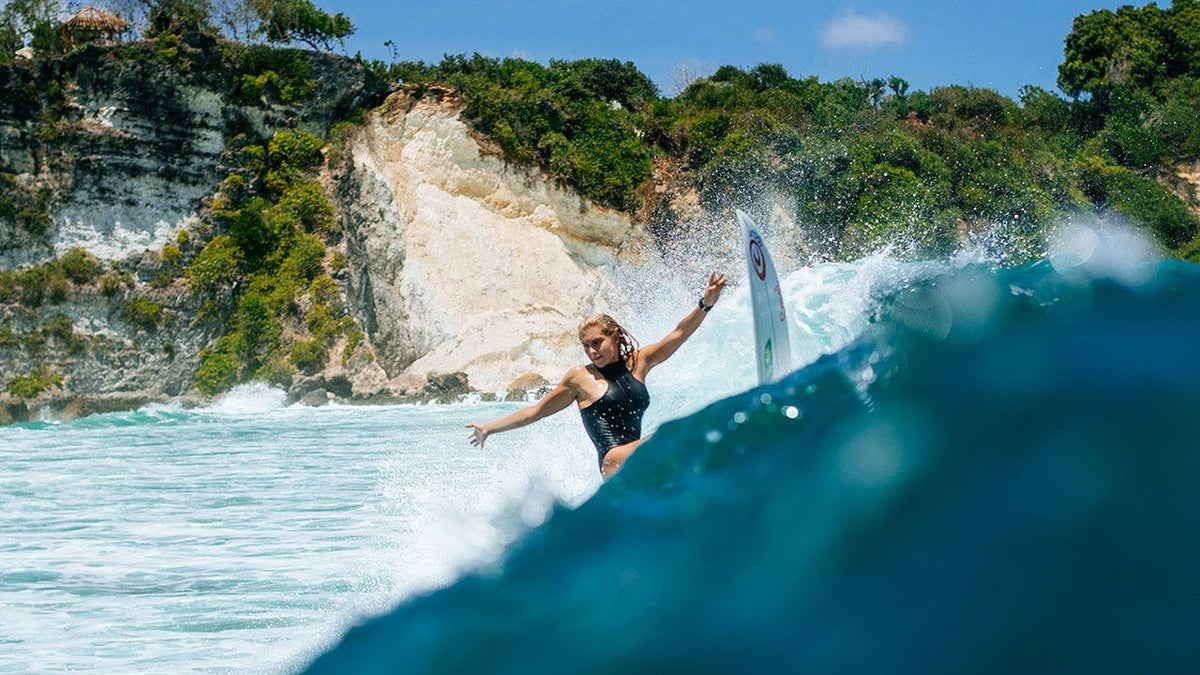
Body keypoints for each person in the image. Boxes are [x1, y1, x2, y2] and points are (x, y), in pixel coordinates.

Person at [466, 272, 728, 479]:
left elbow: (678, 335)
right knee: (673, 433)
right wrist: (490, 427)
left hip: (637, 462)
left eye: (597, 342)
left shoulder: (639, 362)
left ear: (615, 337)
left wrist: (705, 304)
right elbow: (536, 411)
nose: (592, 351)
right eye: (586, 346)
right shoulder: (579, 378)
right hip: (613, 461)